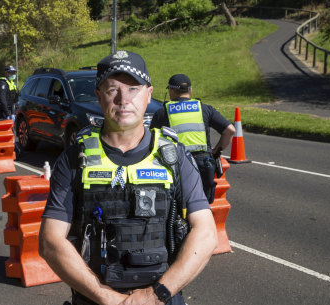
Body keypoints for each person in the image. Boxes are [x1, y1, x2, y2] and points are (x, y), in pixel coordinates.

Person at [39, 51, 217, 305]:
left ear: (149, 94)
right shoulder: (73, 159)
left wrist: (155, 295)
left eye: (133, 89)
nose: (124, 100)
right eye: (113, 89)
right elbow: (50, 241)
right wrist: (107, 298)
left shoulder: (175, 157)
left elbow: (206, 233)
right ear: (99, 97)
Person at [150, 74, 236, 204]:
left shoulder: (162, 112)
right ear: (190, 90)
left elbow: (152, 140)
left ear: (171, 91)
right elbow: (230, 130)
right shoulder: (205, 109)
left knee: (179, 208)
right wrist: (216, 150)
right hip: (204, 164)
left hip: (178, 165)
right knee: (203, 207)